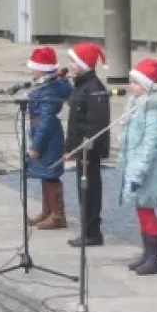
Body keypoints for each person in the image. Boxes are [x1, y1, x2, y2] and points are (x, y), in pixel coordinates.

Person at [118, 58, 157, 276]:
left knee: (147, 211)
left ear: (148, 86)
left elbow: (150, 144)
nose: (131, 87)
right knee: (141, 210)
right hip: (135, 165)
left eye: (135, 83)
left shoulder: (153, 111)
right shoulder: (137, 105)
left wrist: (138, 170)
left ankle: (156, 257)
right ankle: (147, 253)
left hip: (147, 170)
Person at [65, 42, 110, 247]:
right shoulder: (82, 85)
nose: (71, 65)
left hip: (89, 149)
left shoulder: (93, 88)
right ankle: (88, 229)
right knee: (84, 189)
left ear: (84, 64)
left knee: (89, 189)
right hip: (81, 148)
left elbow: (95, 123)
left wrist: (83, 146)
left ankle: (92, 231)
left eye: (74, 61)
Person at [26, 46, 73, 230]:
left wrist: (36, 145)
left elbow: (46, 120)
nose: (32, 73)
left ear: (41, 70)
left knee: (51, 173)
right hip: (42, 130)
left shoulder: (48, 90)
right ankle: (48, 210)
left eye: (34, 69)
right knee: (44, 174)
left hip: (48, 135)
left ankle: (58, 215)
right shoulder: (45, 86)